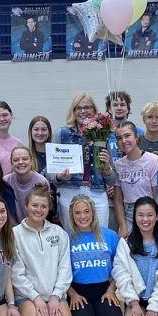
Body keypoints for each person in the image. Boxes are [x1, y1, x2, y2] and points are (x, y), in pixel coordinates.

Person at [11, 185, 73, 316]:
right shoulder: (14, 234)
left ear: (49, 209)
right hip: (28, 297)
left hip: (54, 296)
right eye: (34, 205)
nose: (39, 210)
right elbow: (16, 274)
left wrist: (56, 296)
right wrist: (36, 298)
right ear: (26, 206)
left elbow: (65, 269)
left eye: (43, 206)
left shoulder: (59, 233)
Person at [66, 194, 126, 316]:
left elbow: (123, 266)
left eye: (86, 211)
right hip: (78, 292)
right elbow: (59, 271)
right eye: (77, 212)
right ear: (72, 215)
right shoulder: (66, 238)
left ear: (93, 212)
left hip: (104, 291)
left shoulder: (109, 235)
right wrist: (72, 294)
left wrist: (112, 289)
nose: (83, 216)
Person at [54, 93, 115, 229]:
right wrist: (59, 176)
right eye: (79, 108)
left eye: (87, 107)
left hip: (97, 192)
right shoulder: (62, 134)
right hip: (69, 191)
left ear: (94, 110)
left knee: (101, 236)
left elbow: (112, 180)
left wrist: (107, 168)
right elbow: (49, 173)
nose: (83, 111)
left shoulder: (102, 135)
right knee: (72, 238)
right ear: (73, 111)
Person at [117, 197, 158, 316]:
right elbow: (122, 276)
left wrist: (155, 307)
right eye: (140, 215)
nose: (145, 219)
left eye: (150, 215)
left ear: (157, 217)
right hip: (136, 300)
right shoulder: (126, 244)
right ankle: (139, 315)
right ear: (134, 217)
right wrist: (134, 304)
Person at [113, 122, 158, 237]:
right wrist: (123, 226)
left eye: (127, 135)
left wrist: (153, 218)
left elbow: (157, 196)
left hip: (148, 213)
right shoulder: (118, 165)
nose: (124, 141)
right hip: (128, 213)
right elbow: (118, 200)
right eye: (119, 138)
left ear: (136, 137)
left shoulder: (153, 160)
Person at [5, 146, 50, 223]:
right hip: (12, 228)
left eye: (25, 159)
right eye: (16, 160)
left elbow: (44, 210)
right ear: (11, 163)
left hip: (36, 226)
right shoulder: (5, 182)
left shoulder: (42, 182)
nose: (20, 162)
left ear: (31, 161)